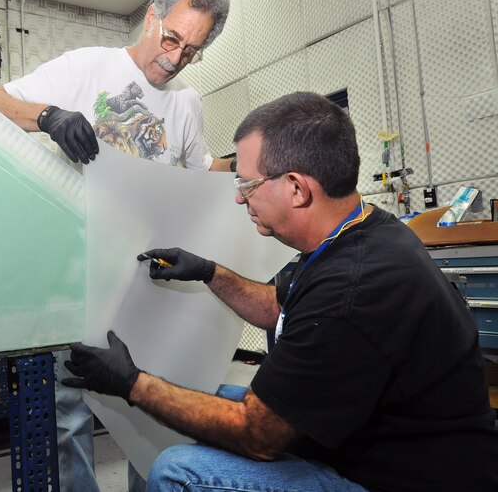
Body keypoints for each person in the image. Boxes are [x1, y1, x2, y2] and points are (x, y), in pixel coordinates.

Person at [63, 92, 498, 492]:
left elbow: (258, 434)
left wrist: (131, 383)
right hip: (369, 434)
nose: (239, 200)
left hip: (401, 478)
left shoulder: (354, 286)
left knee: (177, 470)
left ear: (295, 187)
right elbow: (279, 307)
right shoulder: (355, 230)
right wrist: (208, 272)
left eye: (246, 186)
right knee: (207, 395)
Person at [0, 0, 232, 491]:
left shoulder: (187, 104)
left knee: (150, 401)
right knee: (70, 409)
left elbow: (196, 176)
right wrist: (47, 115)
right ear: (150, 18)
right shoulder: (86, 66)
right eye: (172, 38)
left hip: (146, 280)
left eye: (193, 50)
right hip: (76, 273)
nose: (175, 57)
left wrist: (255, 166)